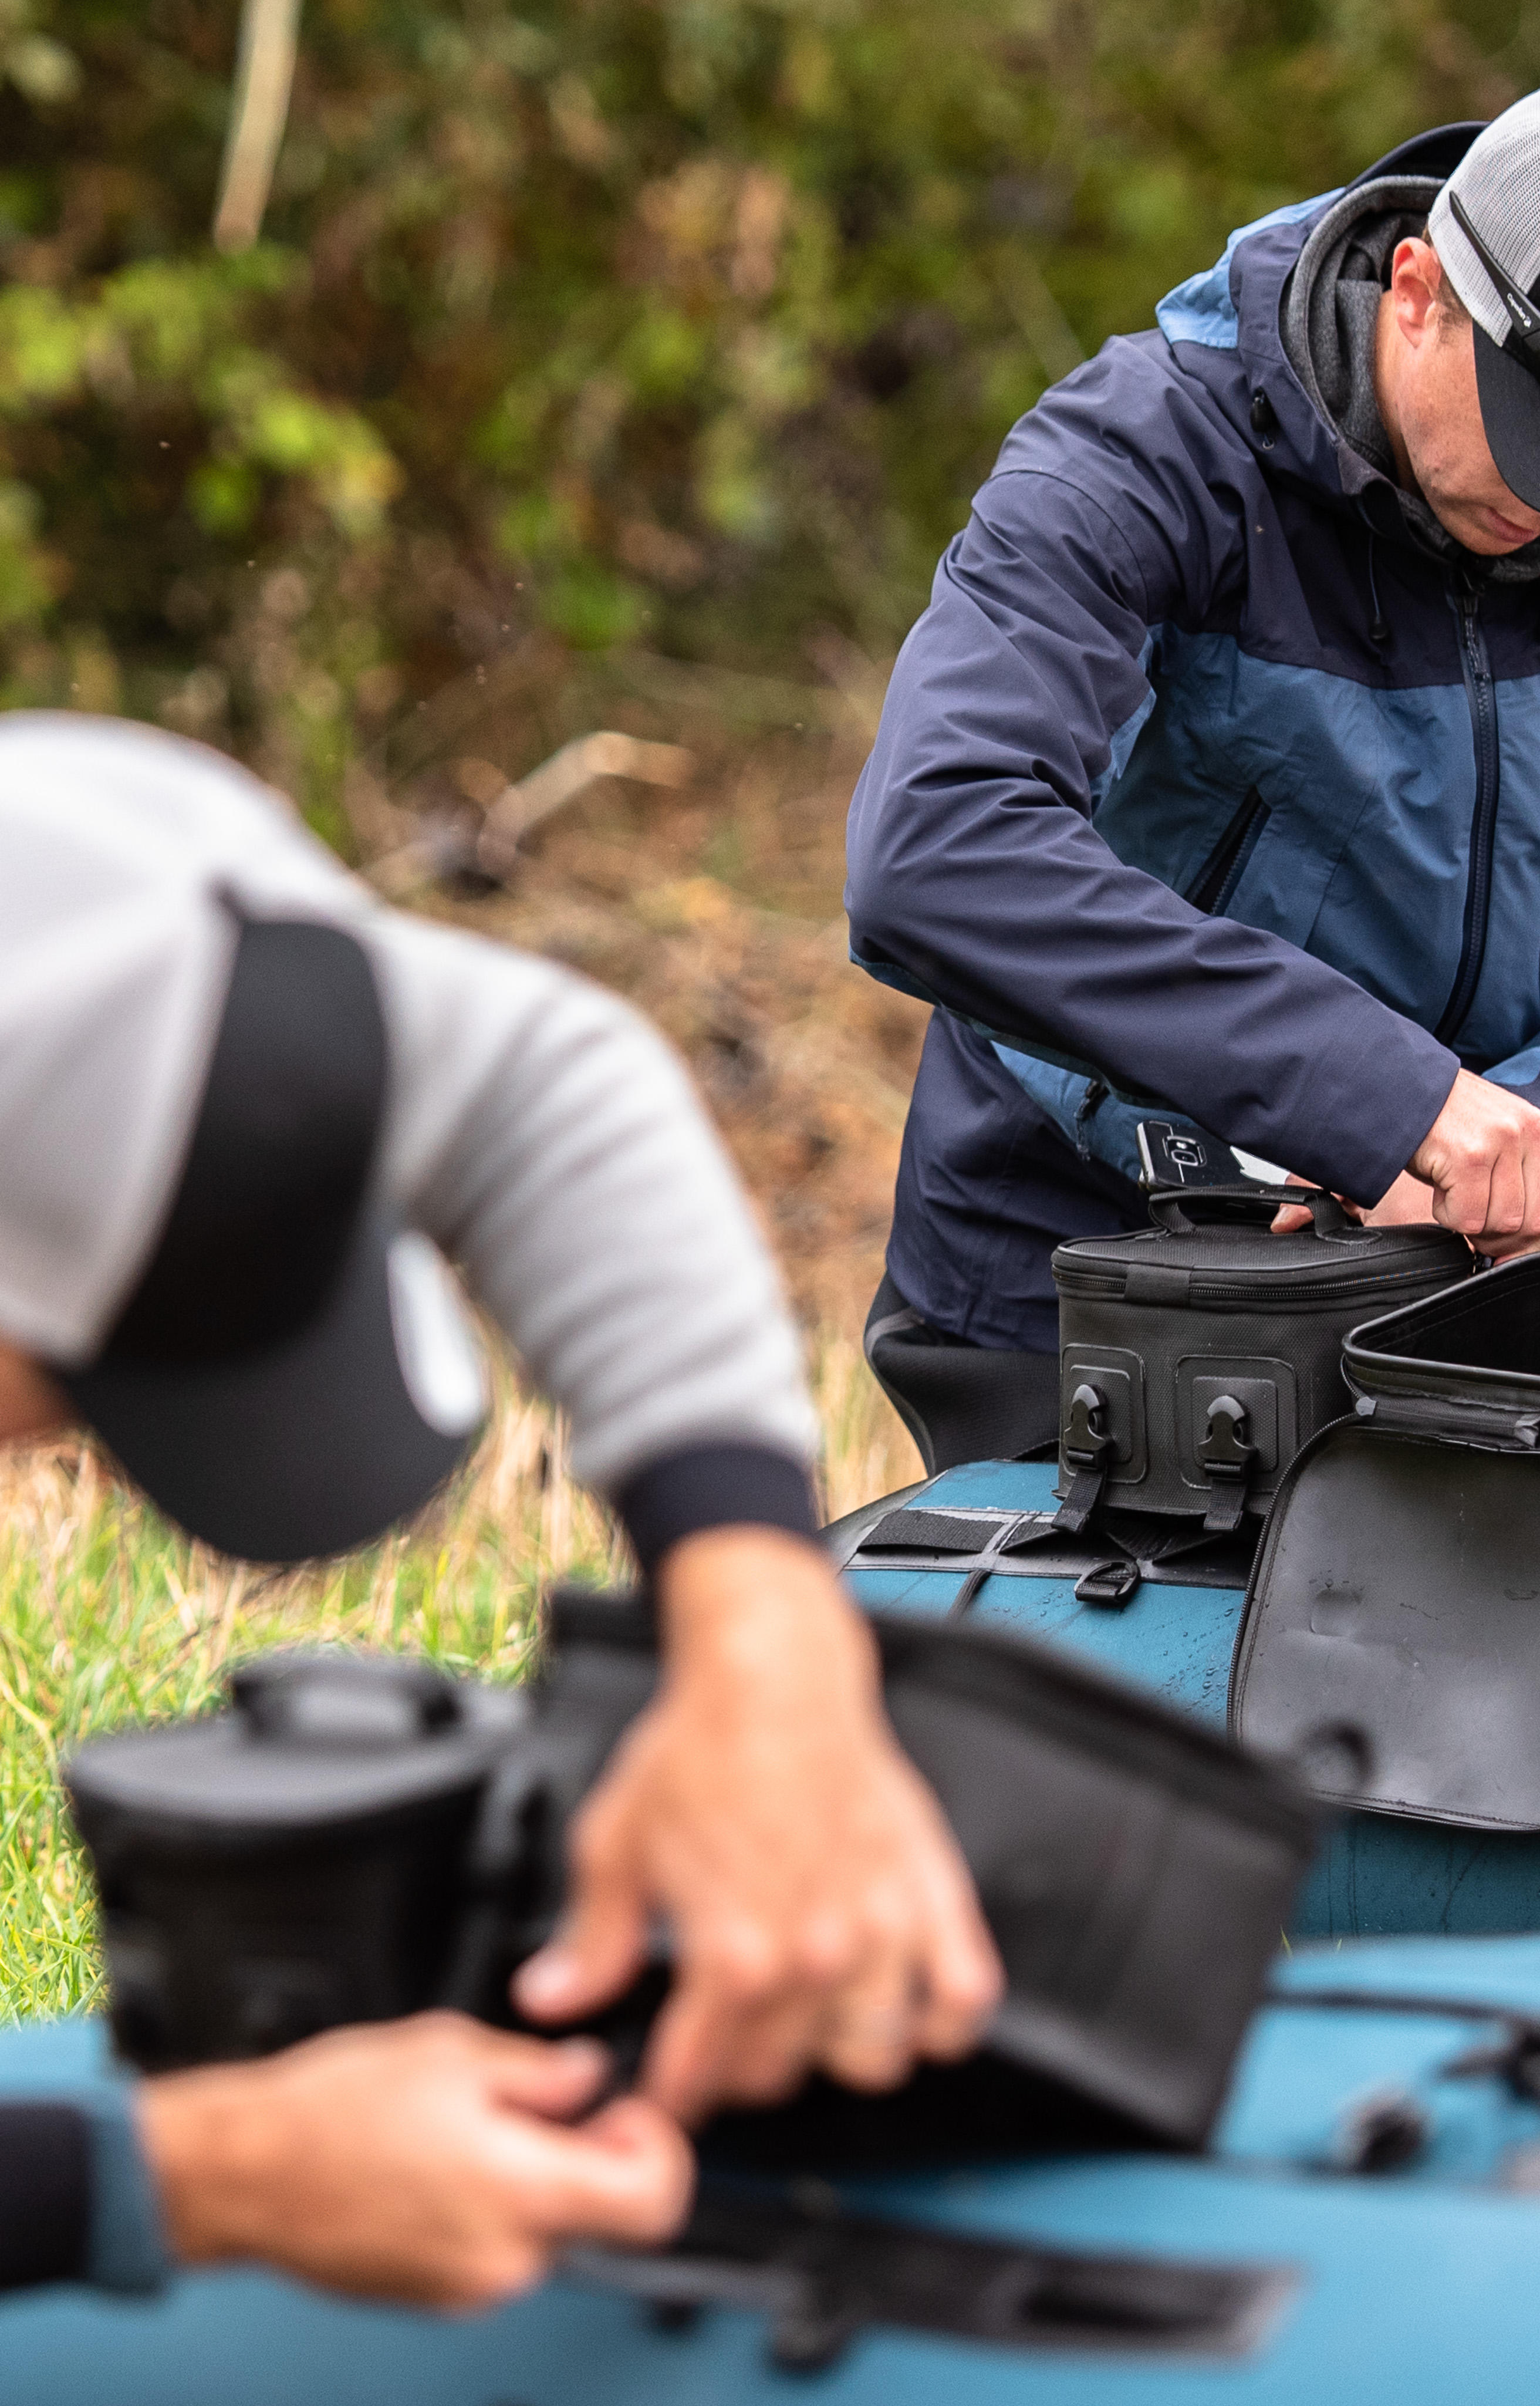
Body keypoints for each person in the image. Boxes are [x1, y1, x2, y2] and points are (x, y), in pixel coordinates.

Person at [0, 710, 1003, 2323]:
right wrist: (191, 2174)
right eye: (98, 1382)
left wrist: (762, 1644)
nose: (95, 1472)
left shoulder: (89, 930)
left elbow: (543, 1078)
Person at [846, 70, 1540, 1469]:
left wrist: (1512, 1171)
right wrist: (1377, 1099)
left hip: (1436, 1302)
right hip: (1064, 1284)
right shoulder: (1148, 452)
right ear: (1417, 289)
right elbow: (934, 849)